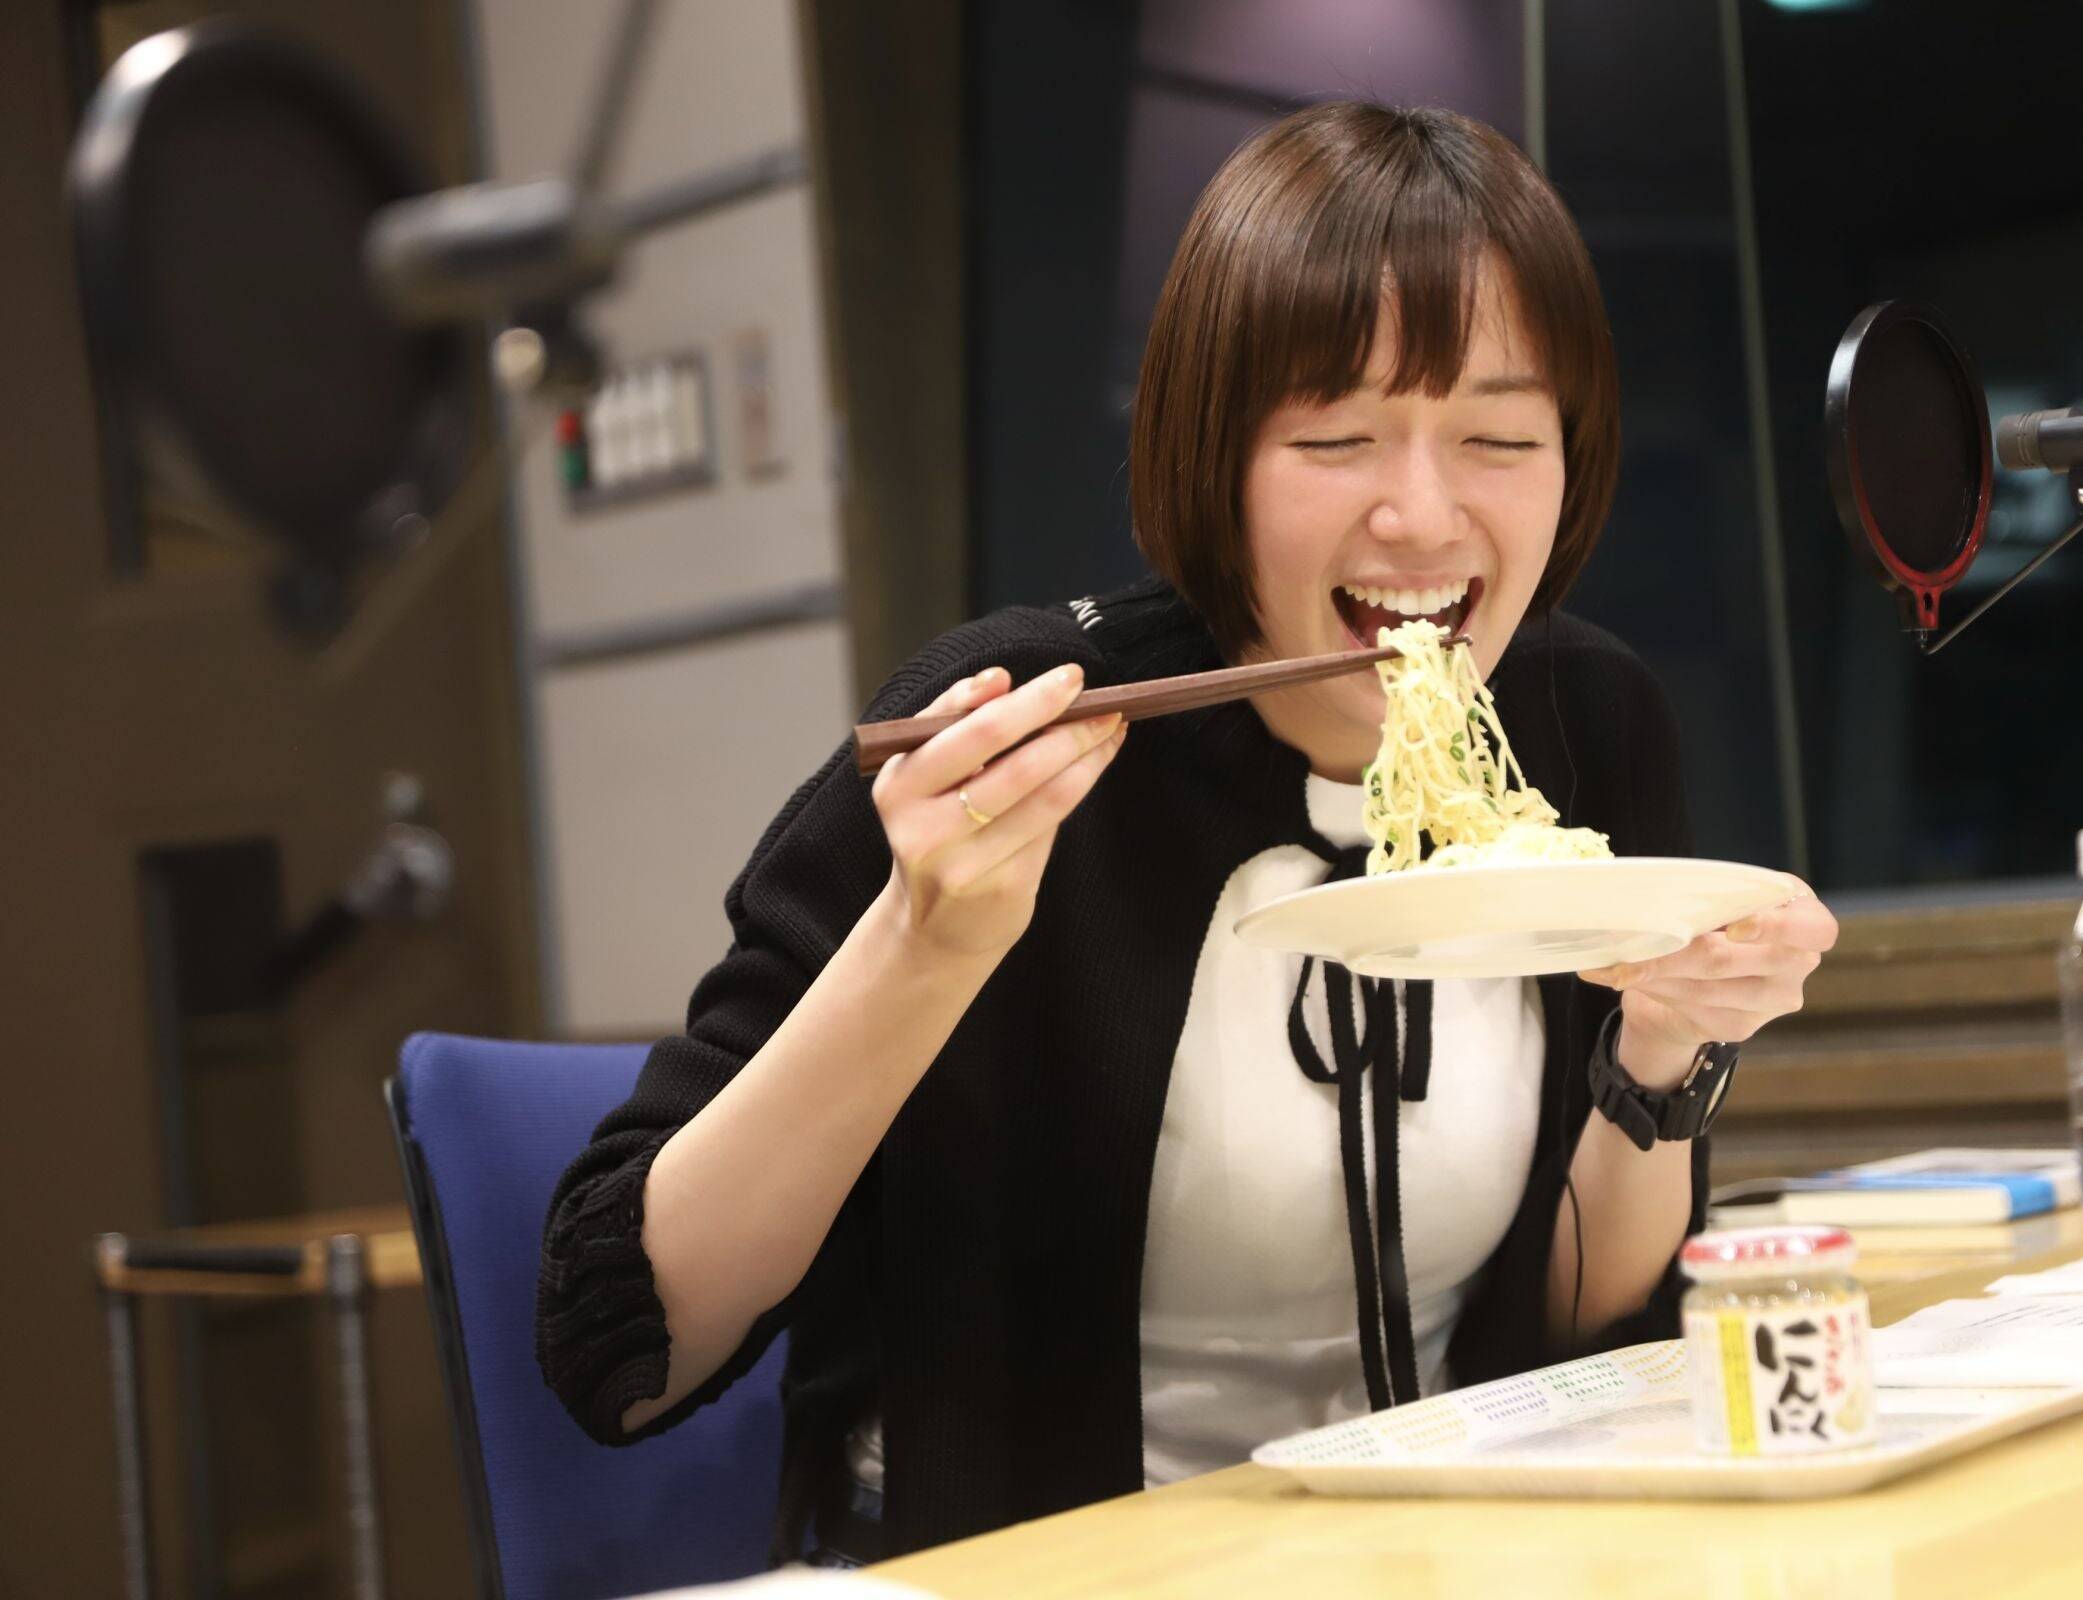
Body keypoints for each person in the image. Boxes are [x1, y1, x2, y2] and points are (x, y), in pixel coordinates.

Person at [537, 100, 1837, 1567]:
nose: (1423, 516)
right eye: (1337, 436)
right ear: (1214, 458)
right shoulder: (1018, 734)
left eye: (1499, 436)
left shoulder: (1583, 724)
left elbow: (1581, 1326)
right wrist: (921, 941)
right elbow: (620, 1353)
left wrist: (1666, 1043)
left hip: (1429, 1553)